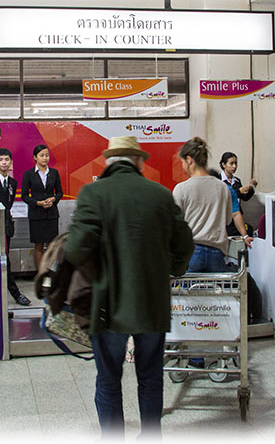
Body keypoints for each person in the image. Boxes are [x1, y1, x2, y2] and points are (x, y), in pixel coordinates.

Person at [64, 135, 193, 439]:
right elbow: (184, 244)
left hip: (108, 307)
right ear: (138, 162)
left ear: (107, 162)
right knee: (150, 377)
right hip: (152, 304)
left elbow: (75, 250)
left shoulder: (93, 194)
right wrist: (170, 271)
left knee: (108, 380)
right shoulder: (160, 194)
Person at [174, 138, 252, 275]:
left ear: (189, 160)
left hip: (192, 252)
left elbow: (176, 225)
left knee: (190, 294)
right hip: (217, 252)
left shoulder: (182, 189)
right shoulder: (223, 188)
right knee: (218, 294)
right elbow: (228, 220)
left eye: (182, 162)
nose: (182, 166)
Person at [0, 148, 31, 306]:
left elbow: (8, 206)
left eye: (7, 160)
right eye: (1, 160)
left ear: (10, 163)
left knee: (5, 260)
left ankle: (6, 294)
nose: (4, 162)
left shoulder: (13, 183)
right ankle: (13, 293)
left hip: (6, 227)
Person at [21, 144, 63, 271]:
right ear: (35, 157)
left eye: (47, 155)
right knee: (38, 245)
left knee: (51, 245)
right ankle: (40, 274)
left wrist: (53, 199)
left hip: (51, 214)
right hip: (36, 214)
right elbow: (24, 196)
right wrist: (38, 203)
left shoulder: (54, 173)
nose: (45, 158)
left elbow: (60, 192)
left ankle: (51, 273)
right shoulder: (28, 174)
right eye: (42, 155)